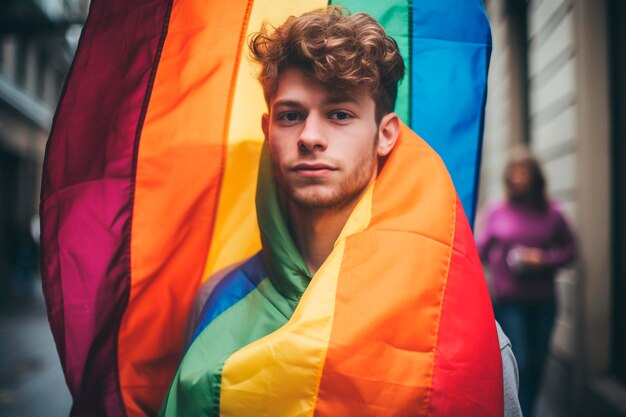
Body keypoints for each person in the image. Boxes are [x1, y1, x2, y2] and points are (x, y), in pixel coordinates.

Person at [160, 7, 521, 416]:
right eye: (291, 116)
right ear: (268, 132)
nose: (310, 137)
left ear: (385, 135)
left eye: (339, 115)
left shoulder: (453, 327)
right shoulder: (216, 301)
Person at [477, 148, 577, 417]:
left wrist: (543, 259)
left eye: (525, 171)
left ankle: (529, 409)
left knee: (537, 362)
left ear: (535, 176)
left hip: (543, 301)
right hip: (510, 302)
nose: (519, 177)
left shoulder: (552, 212)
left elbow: (570, 251)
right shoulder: (498, 211)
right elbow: (481, 254)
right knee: (519, 360)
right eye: (514, 171)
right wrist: (499, 261)